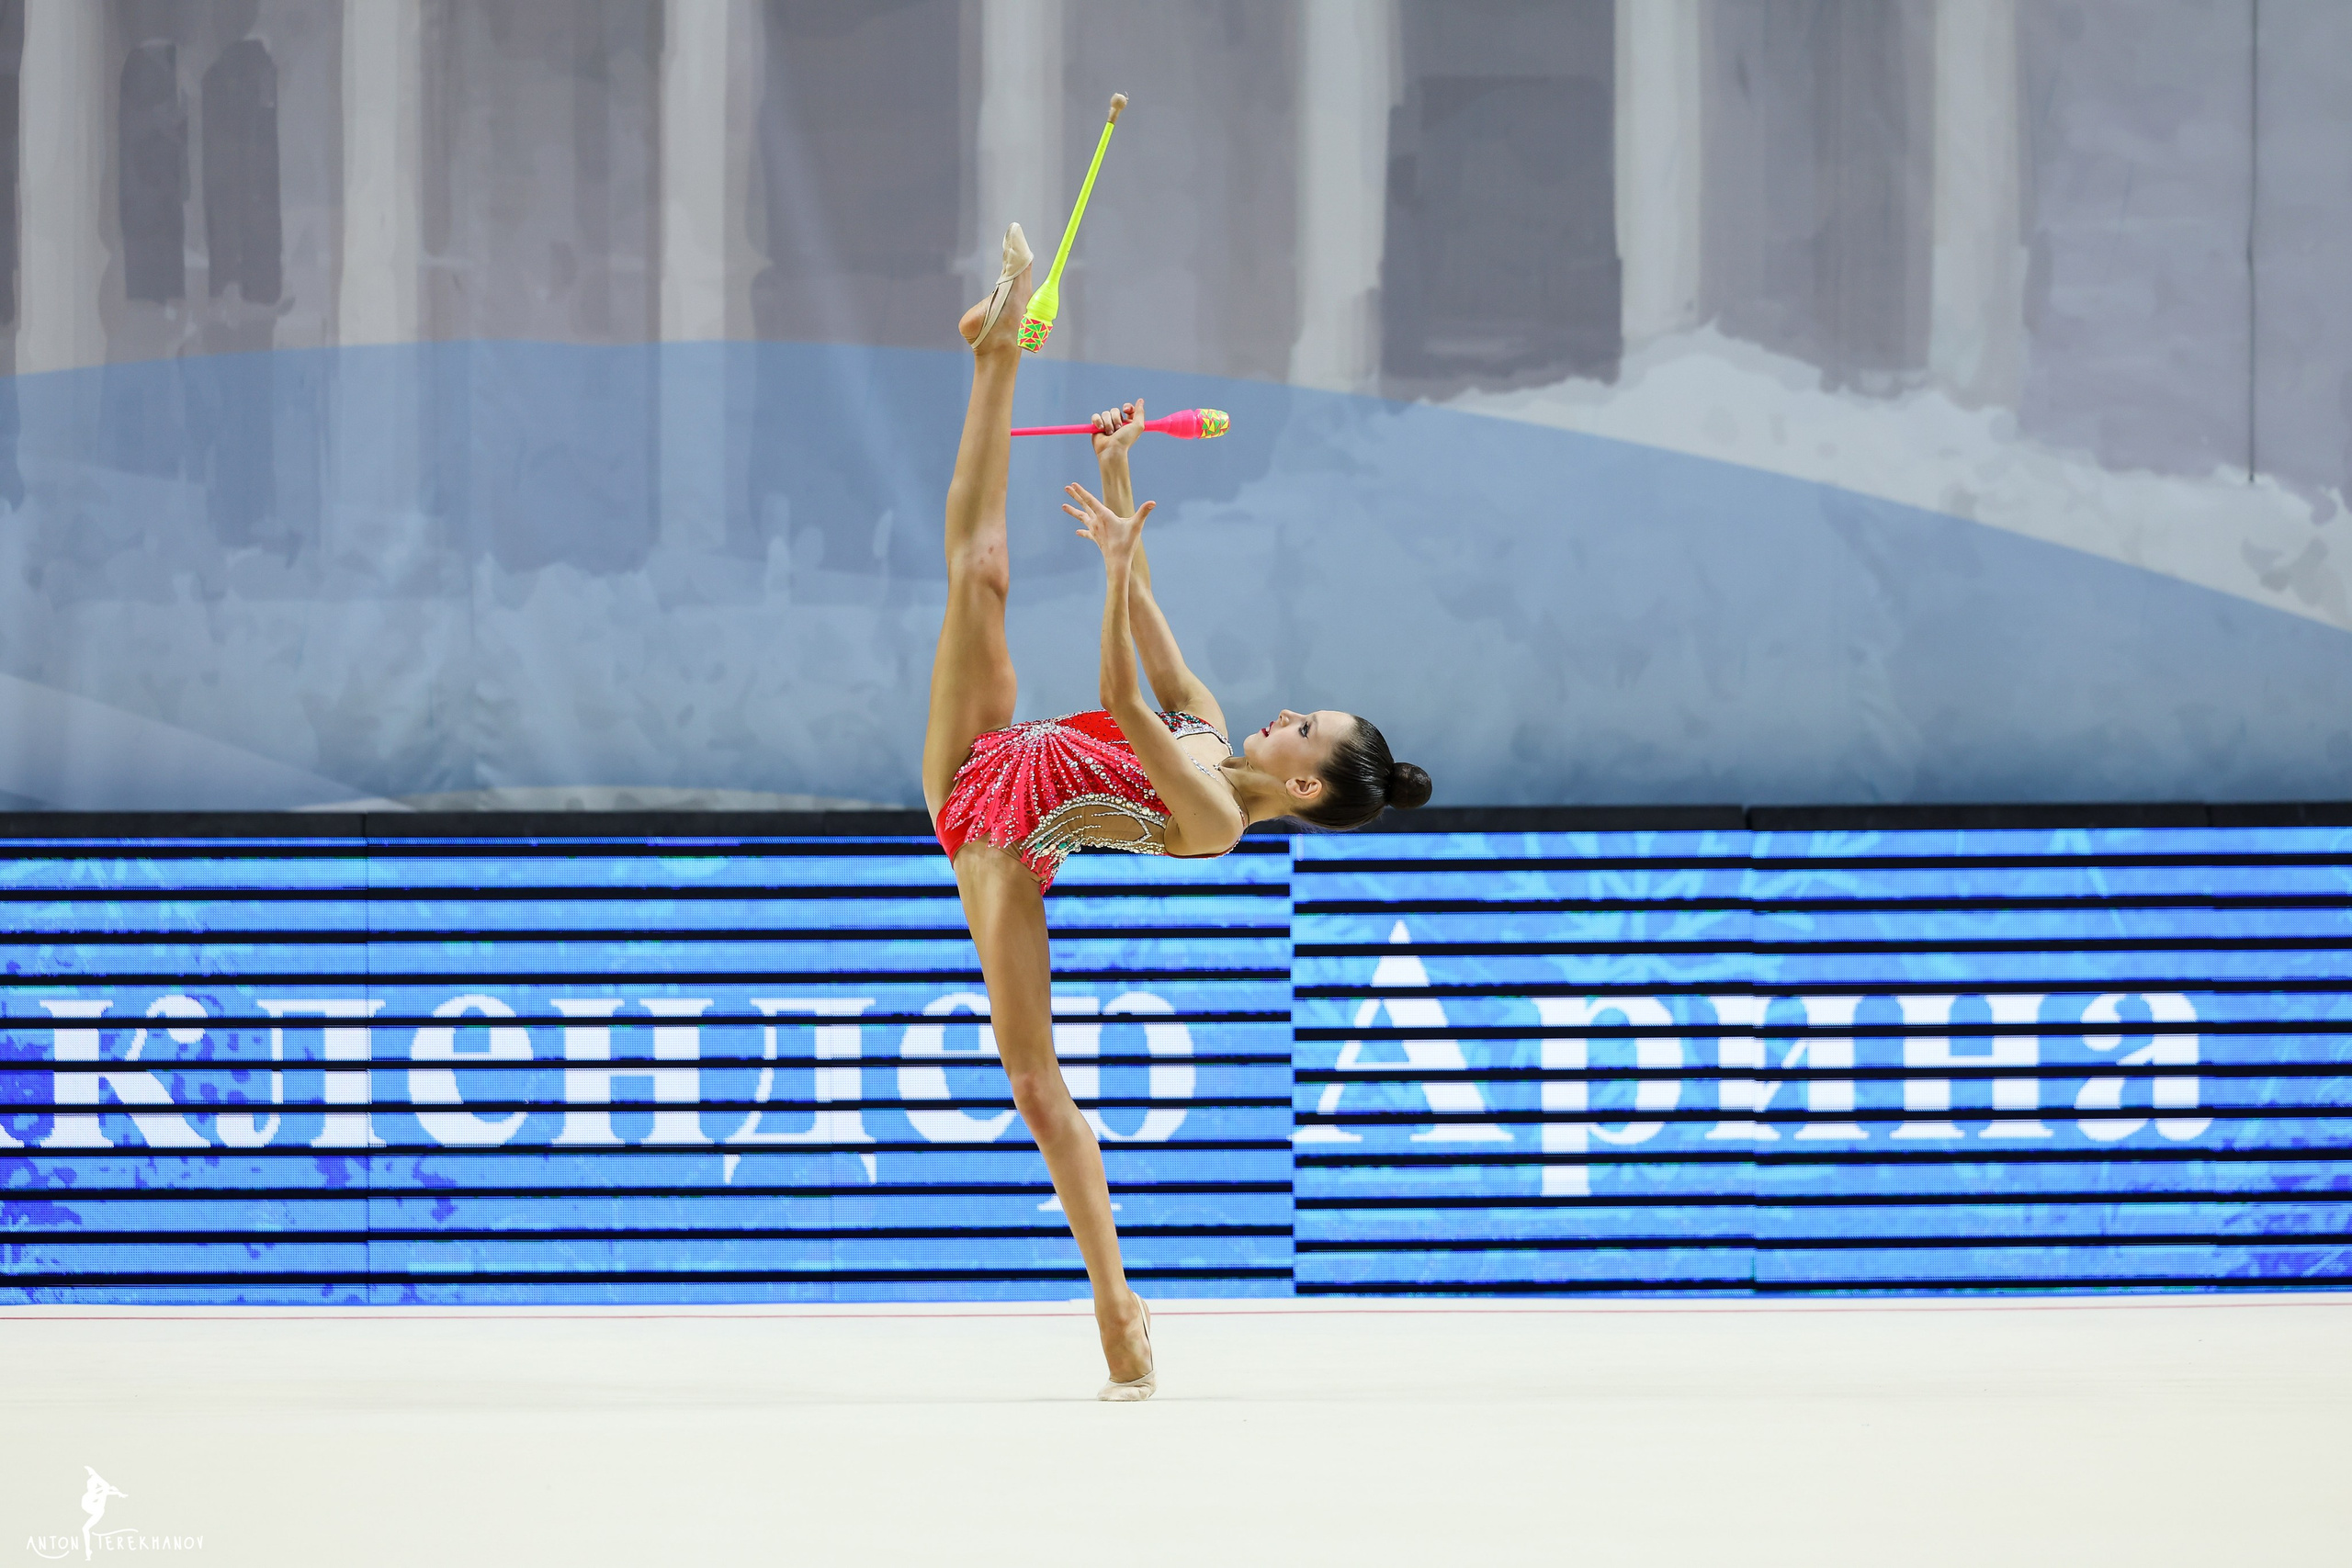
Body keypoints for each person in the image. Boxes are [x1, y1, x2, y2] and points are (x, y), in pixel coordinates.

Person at [925, 224, 1432, 1400]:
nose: (1289, 710)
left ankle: (1114, 1303)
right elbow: (1147, 615)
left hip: (996, 836)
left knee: (1038, 1087)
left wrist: (1108, 569)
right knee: (981, 570)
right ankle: (994, 349)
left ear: (1302, 784)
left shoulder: (1211, 814)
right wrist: (1115, 480)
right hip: (1000, 749)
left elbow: (1111, 693)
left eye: (1305, 727)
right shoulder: (1207, 715)